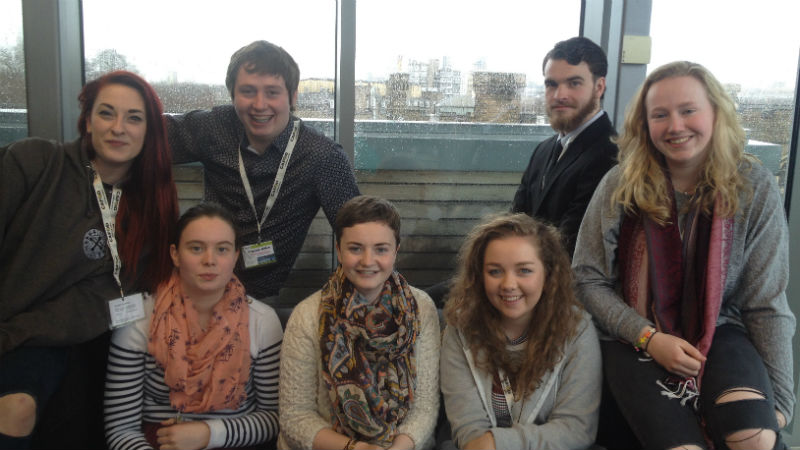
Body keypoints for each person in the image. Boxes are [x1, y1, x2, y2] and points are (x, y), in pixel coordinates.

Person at [572, 61, 795, 450]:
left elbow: (765, 304)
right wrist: (649, 337)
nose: (675, 126)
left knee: (757, 439)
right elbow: (587, 277)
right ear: (645, 124)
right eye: (660, 115)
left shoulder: (753, 188)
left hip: (720, 329)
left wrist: (783, 402)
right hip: (632, 335)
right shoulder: (620, 184)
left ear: (716, 112)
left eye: (688, 110)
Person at [0, 70, 178, 448]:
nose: (118, 128)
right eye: (106, 113)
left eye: (133, 118)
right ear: (87, 120)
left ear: (149, 131)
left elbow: (104, 300)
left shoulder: (150, 207)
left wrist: (16, 334)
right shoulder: (34, 162)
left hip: (65, 335)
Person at [166, 40, 360, 301]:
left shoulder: (321, 156)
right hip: (193, 286)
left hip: (261, 298)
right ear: (232, 95)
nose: (259, 105)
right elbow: (148, 137)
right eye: (247, 91)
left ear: (292, 97)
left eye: (272, 92)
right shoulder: (213, 127)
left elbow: (358, 233)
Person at [104, 202, 283, 450]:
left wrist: (210, 434)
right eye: (196, 248)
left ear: (235, 256)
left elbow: (274, 418)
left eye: (222, 249)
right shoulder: (139, 320)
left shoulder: (263, 320)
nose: (209, 260)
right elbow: (121, 428)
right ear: (175, 254)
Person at [278, 195, 440, 450]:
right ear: (339, 250)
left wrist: (398, 448)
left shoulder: (422, 309)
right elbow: (295, 415)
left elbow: (425, 408)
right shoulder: (307, 315)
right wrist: (356, 448)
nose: (367, 260)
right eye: (355, 248)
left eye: (381, 249)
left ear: (396, 251)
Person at [440, 213, 601, 450]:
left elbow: (577, 430)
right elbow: (468, 431)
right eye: (495, 271)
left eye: (524, 271)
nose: (508, 284)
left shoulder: (577, 329)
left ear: (548, 275)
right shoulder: (461, 328)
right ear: (479, 276)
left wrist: (497, 442)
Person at [511, 36, 618, 257]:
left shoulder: (610, 155)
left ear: (599, 87)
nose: (560, 95)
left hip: (562, 285)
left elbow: (570, 245)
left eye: (574, 83)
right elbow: (513, 222)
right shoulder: (543, 150)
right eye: (552, 84)